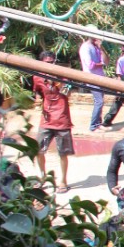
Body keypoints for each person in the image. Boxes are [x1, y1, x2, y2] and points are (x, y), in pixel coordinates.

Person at [32, 52, 74, 192]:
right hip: (46, 119)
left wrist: (57, 82)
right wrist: (38, 99)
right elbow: (37, 92)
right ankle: (43, 177)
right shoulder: (37, 77)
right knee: (38, 149)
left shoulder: (63, 75)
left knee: (63, 152)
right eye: (47, 62)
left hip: (62, 119)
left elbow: (67, 93)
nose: (50, 65)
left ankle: (63, 181)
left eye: (52, 62)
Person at [79, 33, 107, 131]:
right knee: (99, 101)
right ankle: (93, 126)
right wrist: (102, 64)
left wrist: (101, 48)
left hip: (100, 78)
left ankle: (98, 123)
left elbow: (106, 62)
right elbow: (90, 65)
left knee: (99, 101)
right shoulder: (85, 47)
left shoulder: (95, 47)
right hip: (91, 78)